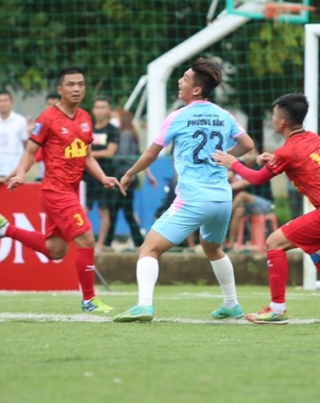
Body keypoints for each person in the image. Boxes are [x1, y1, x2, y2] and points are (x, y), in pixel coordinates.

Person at [111, 59, 254, 322]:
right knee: (213, 249)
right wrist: (224, 157)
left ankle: (144, 305)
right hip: (222, 199)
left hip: (193, 199)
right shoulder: (224, 115)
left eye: (185, 78)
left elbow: (151, 154)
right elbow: (247, 144)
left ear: (196, 90)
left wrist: (130, 173)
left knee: (148, 249)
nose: (180, 81)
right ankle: (231, 304)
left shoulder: (178, 116)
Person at [0, 67, 121, 313]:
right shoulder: (47, 119)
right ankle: (89, 300)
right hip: (56, 192)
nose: (76, 89)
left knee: (56, 250)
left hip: (71, 191)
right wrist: (20, 174)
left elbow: (87, 157)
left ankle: (3, 229)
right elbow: (30, 152)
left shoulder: (85, 118)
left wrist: (102, 177)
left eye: (80, 84)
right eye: (71, 85)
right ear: (60, 89)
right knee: (87, 239)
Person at [214, 93, 320, 325]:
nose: (272, 119)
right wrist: (274, 159)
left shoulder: (287, 152)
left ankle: (277, 309)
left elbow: (257, 179)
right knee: (319, 255)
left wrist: (234, 163)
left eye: (274, 115)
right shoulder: (313, 139)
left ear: (282, 122)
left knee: (274, 242)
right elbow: (301, 160)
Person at [107, 107, 150, 250]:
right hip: (129, 176)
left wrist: (110, 158)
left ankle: (108, 242)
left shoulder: (124, 134)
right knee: (125, 211)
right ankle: (137, 241)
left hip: (122, 176)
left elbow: (122, 155)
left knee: (117, 211)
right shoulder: (132, 134)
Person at [84, 96, 120, 250]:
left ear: (109, 110)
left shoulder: (113, 130)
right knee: (83, 209)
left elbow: (110, 152)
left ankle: (100, 244)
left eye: (103, 107)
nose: (99, 111)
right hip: (86, 175)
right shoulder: (87, 128)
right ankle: (83, 241)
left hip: (105, 174)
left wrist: (88, 155)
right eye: (97, 107)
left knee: (103, 210)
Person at [227, 161, 276, 251]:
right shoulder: (242, 165)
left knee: (241, 195)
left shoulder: (260, 167)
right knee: (238, 211)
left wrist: (226, 187)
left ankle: (226, 215)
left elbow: (246, 182)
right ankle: (231, 243)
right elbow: (229, 173)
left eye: (250, 153)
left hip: (265, 204)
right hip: (249, 205)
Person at [0, 90, 28, 184]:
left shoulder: (21, 121)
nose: (2, 104)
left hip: (16, 168)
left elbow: (25, 144)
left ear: (11, 102)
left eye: (5, 100)